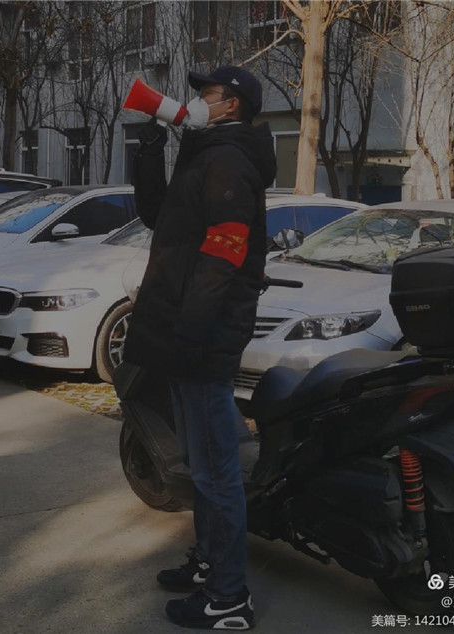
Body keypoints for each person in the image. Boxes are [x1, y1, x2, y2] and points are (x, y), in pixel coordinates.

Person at [122, 65, 276, 630]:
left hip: (203, 336)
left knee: (215, 470)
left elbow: (224, 253)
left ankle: (229, 599)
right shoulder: (205, 153)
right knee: (199, 460)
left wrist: (190, 328)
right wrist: (148, 149)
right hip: (184, 330)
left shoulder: (229, 160)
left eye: (207, 92)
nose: (195, 99)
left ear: (231, 105)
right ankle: (210, 561)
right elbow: (157, 216)